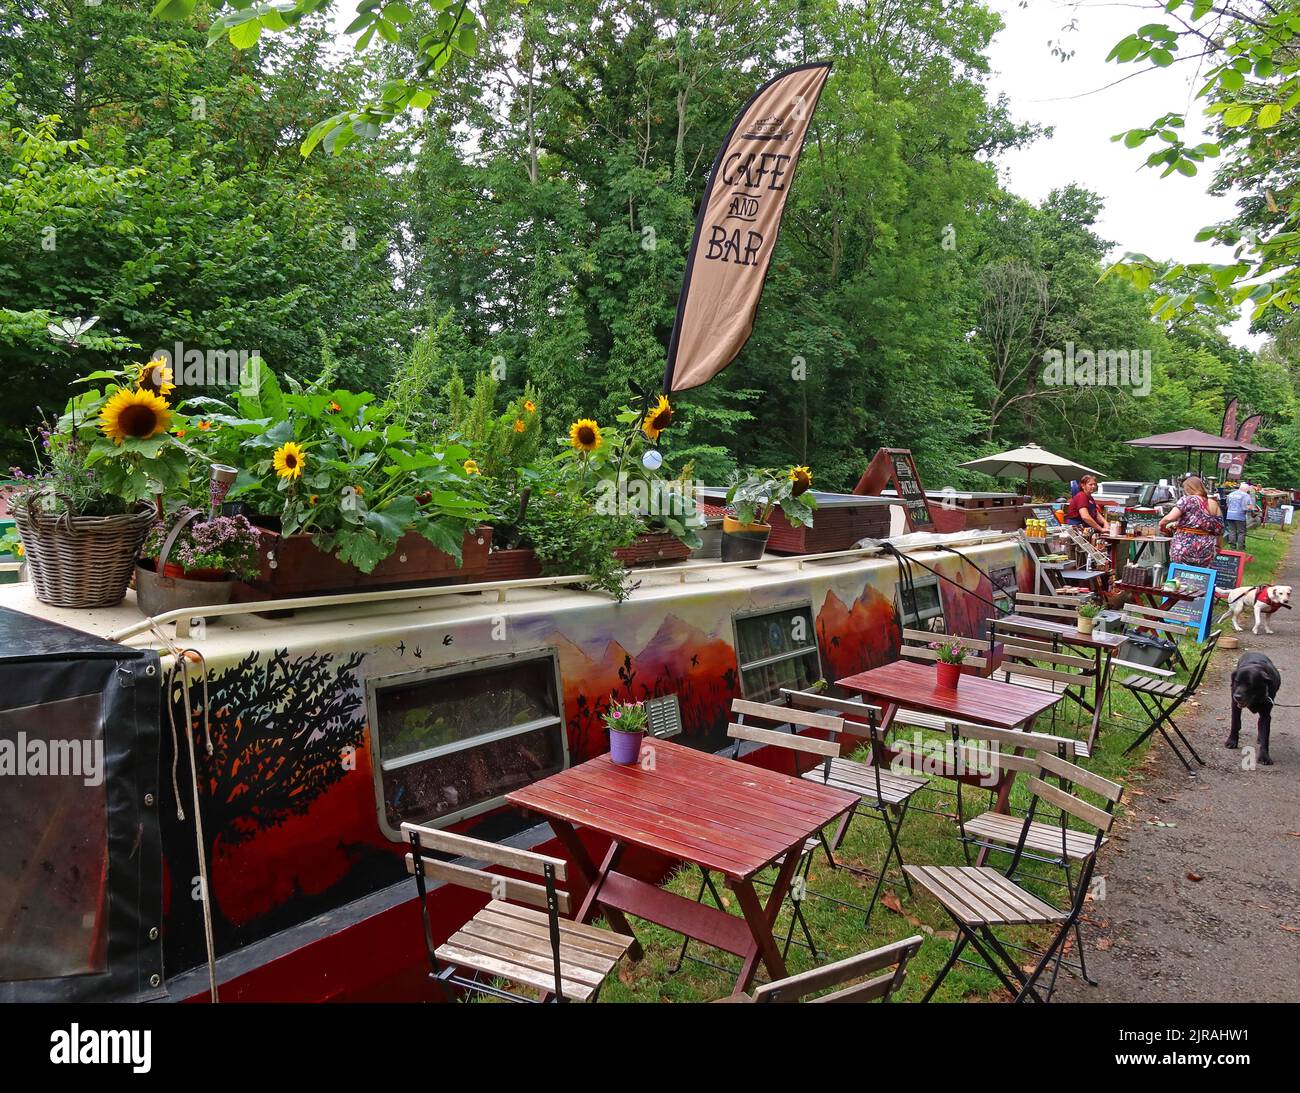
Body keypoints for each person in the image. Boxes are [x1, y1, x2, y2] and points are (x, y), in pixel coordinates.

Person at [1159, 475, 1224, 566]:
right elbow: (1220, 529)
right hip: (1206, 547)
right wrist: (1218, 546)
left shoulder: (1187, 500)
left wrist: (1161, 524)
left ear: (1188, 488)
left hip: (1184, 546)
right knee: (1201, 574)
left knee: (1180, 574)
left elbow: (1170, 518)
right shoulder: (1214, 504)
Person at [1223, 481, 1254, 551]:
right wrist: (1251, 508)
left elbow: (1227, 505)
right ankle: (1241, 548)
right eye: (1247, 490)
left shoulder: (1231, 494)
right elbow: (1247, 507)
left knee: (1232, 531)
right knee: (1241, 532)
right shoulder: (1245, 495)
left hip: (1230, 515)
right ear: (1246, 489)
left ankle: (1232, 547)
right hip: (1239, 515)